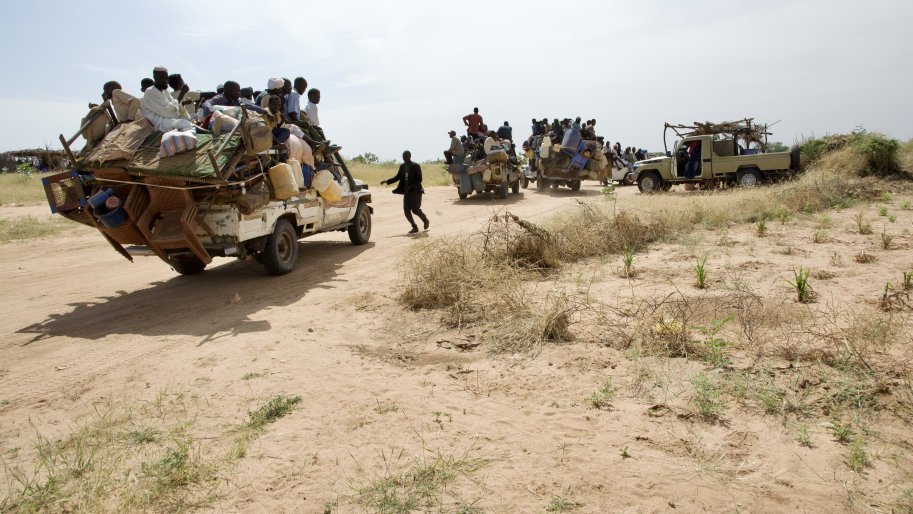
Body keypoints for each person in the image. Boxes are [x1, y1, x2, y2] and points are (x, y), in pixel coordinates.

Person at [380, 150, 429, 234]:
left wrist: (411, 186)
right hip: (407, 192)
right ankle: (414, 227)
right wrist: (387, 181)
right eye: (403, 157)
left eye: (405, 156)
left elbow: (419, 179)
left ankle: (425, 220)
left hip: (416, 192)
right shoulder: (402, 166)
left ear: (409, 156)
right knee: (406, 211)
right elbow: (397, 177)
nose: (404, 158)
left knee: (415, 210)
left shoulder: (416, 166)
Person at [142, 66, 193, 131]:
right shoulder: (150, 91)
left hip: (166, 118)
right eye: (162, 78)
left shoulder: (165, 91)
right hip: (157, 122)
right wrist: (182, 93)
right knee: (183, 123)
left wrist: (182, 102)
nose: (165, 81)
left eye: (166, 78)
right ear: (155, 78)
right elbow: (169, 111)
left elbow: (174, 105)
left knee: (186, 118)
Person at [201, 80, 265, 117]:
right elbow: (206, 104)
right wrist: (212, 112)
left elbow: (250, 106)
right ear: (230, 91)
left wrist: (264, 111)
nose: (239, 94)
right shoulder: (218, 99)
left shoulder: (236, 101)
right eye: (237, 91)